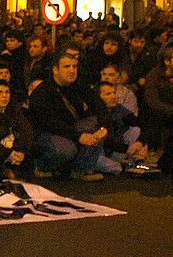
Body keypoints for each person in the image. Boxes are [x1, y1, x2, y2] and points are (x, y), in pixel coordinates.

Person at [27, 52, 116, 181]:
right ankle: (43, 166)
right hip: (47, 133)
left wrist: (103, 128)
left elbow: (99, 105)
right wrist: (78, 136)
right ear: (55, 69)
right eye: (66, 67)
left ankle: (81, 170)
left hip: (71, 129)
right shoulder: (43, 92)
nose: (72, 70)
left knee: (97, 125)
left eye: (74, 66)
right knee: (67, 150)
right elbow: (47, 123)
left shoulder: (79, 85)